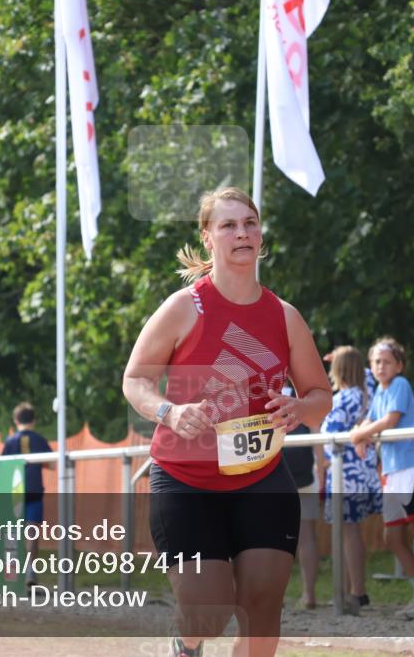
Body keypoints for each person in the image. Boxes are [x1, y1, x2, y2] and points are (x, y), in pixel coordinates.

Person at [122, 187, 331, 657]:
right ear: (207, 236)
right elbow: (135, 380)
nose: (242, 233)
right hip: (186, 479)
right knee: (208, 611)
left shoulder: (284, 316)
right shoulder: (184, 307)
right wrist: (170, 411)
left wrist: (299, 408)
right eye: (229, 225)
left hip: (261, 477)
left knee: (263, 608)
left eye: (250, 223)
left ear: (260, 234)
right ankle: (186, 642)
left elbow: (321, 396)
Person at [350, 337, 414, 620]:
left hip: (409, 466)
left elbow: (389, 420)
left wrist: (359, 435)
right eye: (376, 361)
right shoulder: (379, 392)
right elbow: (370, 420)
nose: (380, 366)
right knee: (392, 537)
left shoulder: (400, 385)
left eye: (386, 361)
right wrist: (361, 433)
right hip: (391, 471)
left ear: (399, 366)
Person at [321, 345, 381, 615]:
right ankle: (349, 590)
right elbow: (366, 374)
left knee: (347, 532)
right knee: (350, 531)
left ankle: (355, 591)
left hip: (345, 473)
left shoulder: (342, 399)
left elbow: (329, 436)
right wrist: (346, 358)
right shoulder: (368, 393)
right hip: (364, 472)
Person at [279, 384, 323, 610]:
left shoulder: (264, 396)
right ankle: (309, 594)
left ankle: (276, 595)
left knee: (274, 540)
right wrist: (322, 475)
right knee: (307, 537)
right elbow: (317, 439)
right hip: (306, 476)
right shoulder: (305, 398)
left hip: (275, 477)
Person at [2, 402, 53, 588]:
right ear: (34, 421)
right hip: (34, 490)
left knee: (12, 532)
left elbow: (2, 467)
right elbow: (52, 464)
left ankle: (11, 573)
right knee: (32, 532)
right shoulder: (40, 440)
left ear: (16, 421)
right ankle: (30, 571)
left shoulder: (10, 441)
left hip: (15, 491)